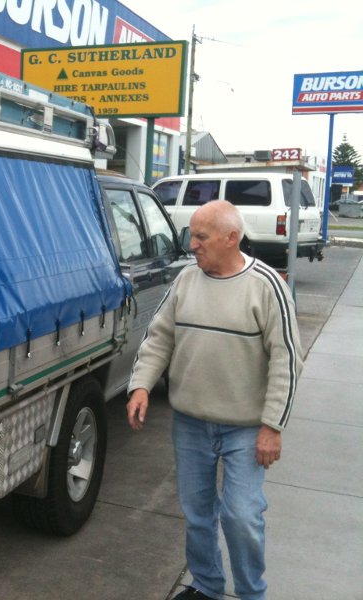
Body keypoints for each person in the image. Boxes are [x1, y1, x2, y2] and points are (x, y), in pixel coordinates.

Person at [126, 200, 302, 600]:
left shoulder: (267, 286)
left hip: (246, 428)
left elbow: (287, 361)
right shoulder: (186, 280)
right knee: (198, 516)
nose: (193, 245)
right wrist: (140, 385)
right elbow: (159, 338)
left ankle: (250, 594)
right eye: (191, 234)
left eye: (201, 236)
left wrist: (273, 426)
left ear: (231, 238)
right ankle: (206, 587)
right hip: (190, 424)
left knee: (242, 517)